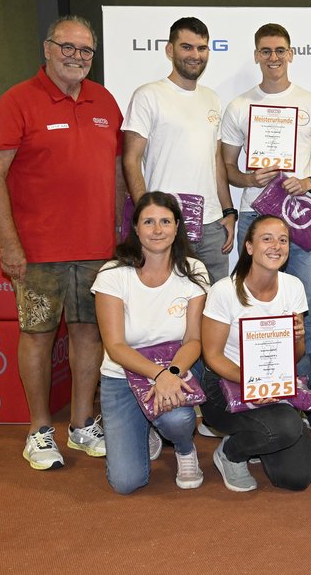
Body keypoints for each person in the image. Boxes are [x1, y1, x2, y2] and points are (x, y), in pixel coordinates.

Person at [0, 15, 122, 470]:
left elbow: (117, 172)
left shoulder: (105, 101)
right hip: (38, 251)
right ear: (47, 48)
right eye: (68, 47)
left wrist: (121, 233)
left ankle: (81, 424)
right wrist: (8, 244)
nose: (77, 57)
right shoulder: (17, 101)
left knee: (89, 334)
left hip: (97, 249)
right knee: (38, 336)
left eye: (86, 50)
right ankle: (39, 430)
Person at [220, 23, 311, 429]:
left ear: (291, 54)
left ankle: (304, 407)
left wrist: (309, 182)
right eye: (266, 51)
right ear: (256, 55)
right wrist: (248, 178)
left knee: (301, 316)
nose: (273, 57)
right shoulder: (239, 106)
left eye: (280, 50)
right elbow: (228, 167)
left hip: (300, 216)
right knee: (250, 310)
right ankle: (254, 402)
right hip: (255, 214)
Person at [92, 192, 210, 493]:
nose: (157, 230)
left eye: (165, 222)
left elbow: (193, 339)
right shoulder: (113, 274)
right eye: (148, 222)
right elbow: (115, 346)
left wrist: (171, 374)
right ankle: (146, 424)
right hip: (121, 377)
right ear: (135, 227)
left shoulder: (194, 271)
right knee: (126, 483)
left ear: (177, 225)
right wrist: (158, 375)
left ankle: (184, 448)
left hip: (174, 369)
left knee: (178, 419)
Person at [200, 215, 311, 492]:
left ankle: (261, 436)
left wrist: (297, 338)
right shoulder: (225, 290)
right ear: (249, 246)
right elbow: (212, 356)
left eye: (283, 240)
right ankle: (231, 453)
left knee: (297, 478)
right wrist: (253, 382)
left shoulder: (293, 287)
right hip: (226, 385)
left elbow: (295, 356)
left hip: (273, 386)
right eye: (267, 239)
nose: (276, 246)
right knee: (285, 428)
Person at [122, 17, 235, 283]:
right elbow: (131, 160)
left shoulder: (212, 98)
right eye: (187, 47)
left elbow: (216, 160)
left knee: (215, 302)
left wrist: (228, 212)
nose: (195, 55)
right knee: (171, 301)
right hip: (166, 224)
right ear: (170, 50)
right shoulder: (148, 95)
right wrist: (148, 217)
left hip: (211, 226)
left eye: (202, 48)